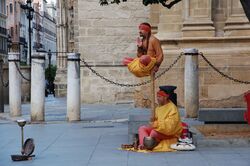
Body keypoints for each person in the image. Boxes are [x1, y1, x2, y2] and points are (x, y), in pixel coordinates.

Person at [138, 86, 183, 152]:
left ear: (166, 97)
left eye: (159, 97)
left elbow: (170, 127)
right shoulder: (158, 108)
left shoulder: (172, 108)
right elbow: (156, 120)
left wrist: (156, 124)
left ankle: (149, 145)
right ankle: (143, 144)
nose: (157, 99)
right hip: (160, 130)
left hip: (171, 133)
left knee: (154, 133)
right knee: (142, 128)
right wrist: (153, 120)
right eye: (157, 97)